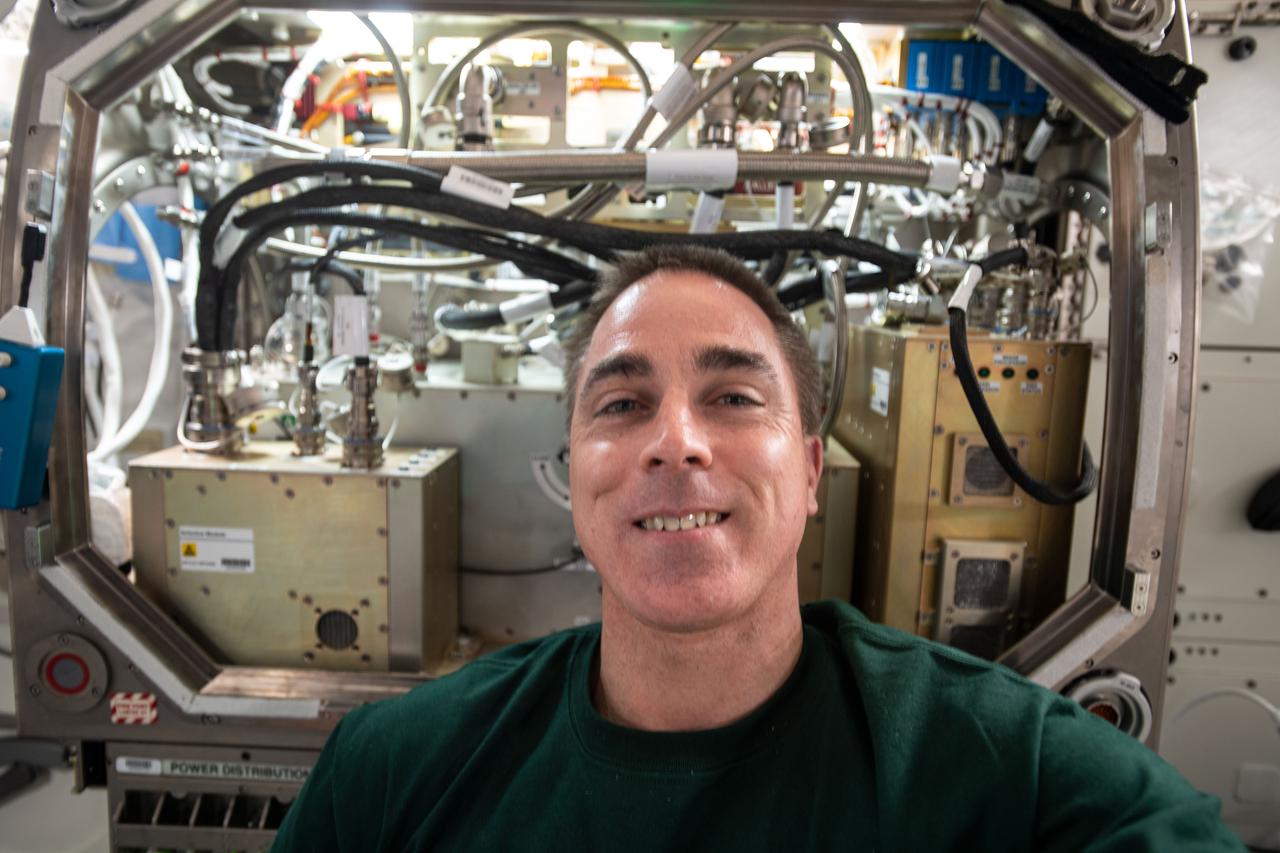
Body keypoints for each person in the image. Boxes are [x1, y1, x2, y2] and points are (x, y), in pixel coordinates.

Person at [272, 245, 1242, 851]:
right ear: (573, 479)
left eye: (733, 397)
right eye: (621, 404)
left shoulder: (996, 770)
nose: (675, 439)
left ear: (812, 471)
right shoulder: (395, 773)